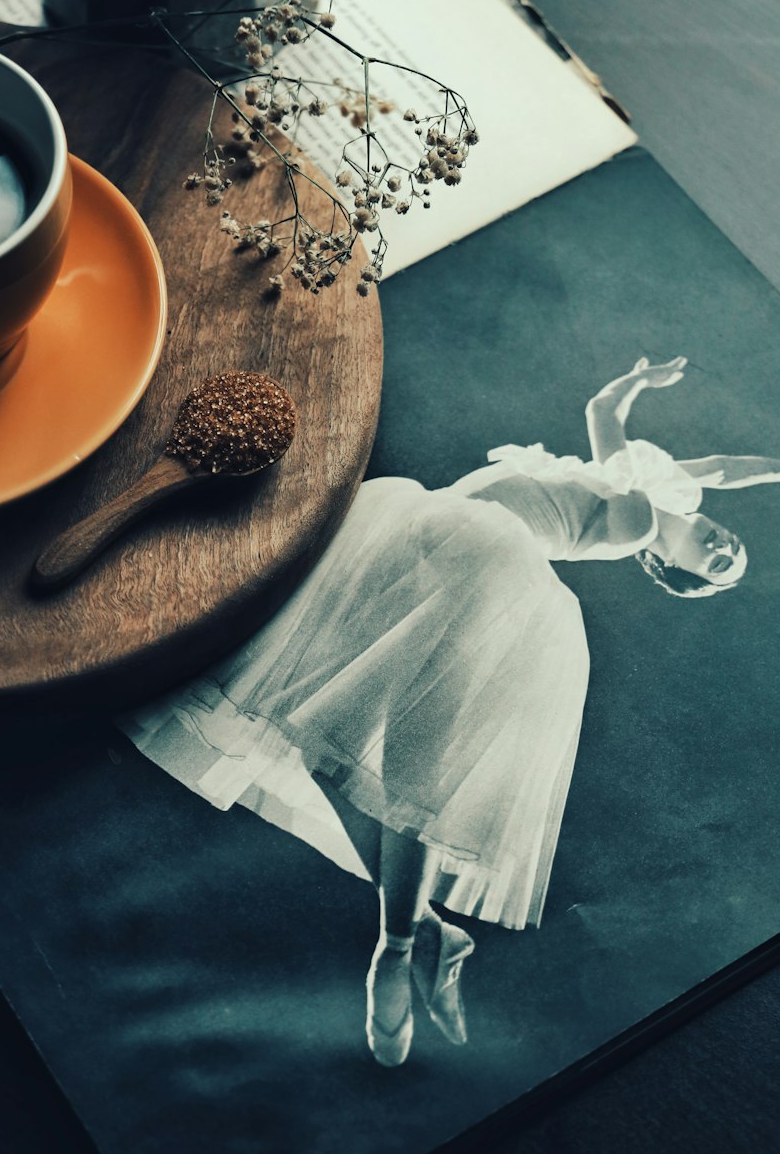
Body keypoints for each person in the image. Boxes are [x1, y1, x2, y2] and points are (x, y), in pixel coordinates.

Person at [120, 357, 779, 1065]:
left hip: (480, 564)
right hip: (424, 541)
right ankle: (424, 926)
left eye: (720, 566)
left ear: (673, 571)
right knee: (318, 740)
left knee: (409, 766)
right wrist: (638, 387)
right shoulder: (636, 484)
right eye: (731, 545)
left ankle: (397, 947)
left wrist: (741, 462)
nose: (723, 547)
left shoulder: (644, 513)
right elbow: (611, 420)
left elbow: (708, 465)